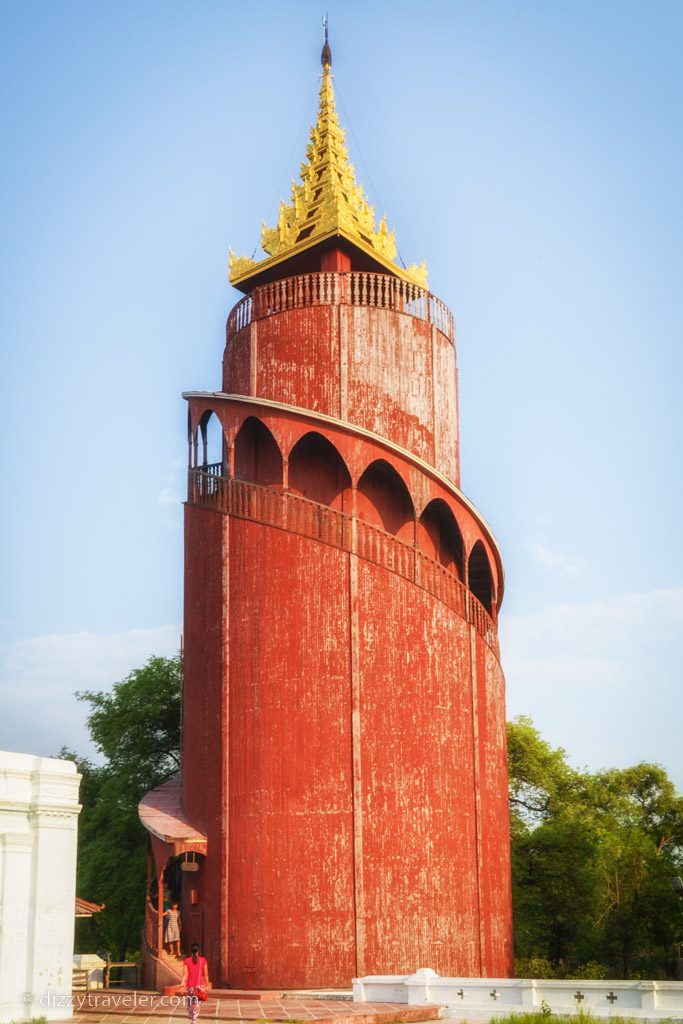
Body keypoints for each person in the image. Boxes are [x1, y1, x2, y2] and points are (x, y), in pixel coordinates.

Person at [181, 942, 210, 1024]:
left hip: (190, 985)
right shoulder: (203, 960)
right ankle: (194, 1019)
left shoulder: (186, 961)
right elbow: (206, 974)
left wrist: (182, 985)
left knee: (190, 1003)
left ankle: (193, 1018)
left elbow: (185, 975)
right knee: (197, 1003)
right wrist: (207, 985)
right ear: (198, 951)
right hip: (200, 985)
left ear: (191, 951)